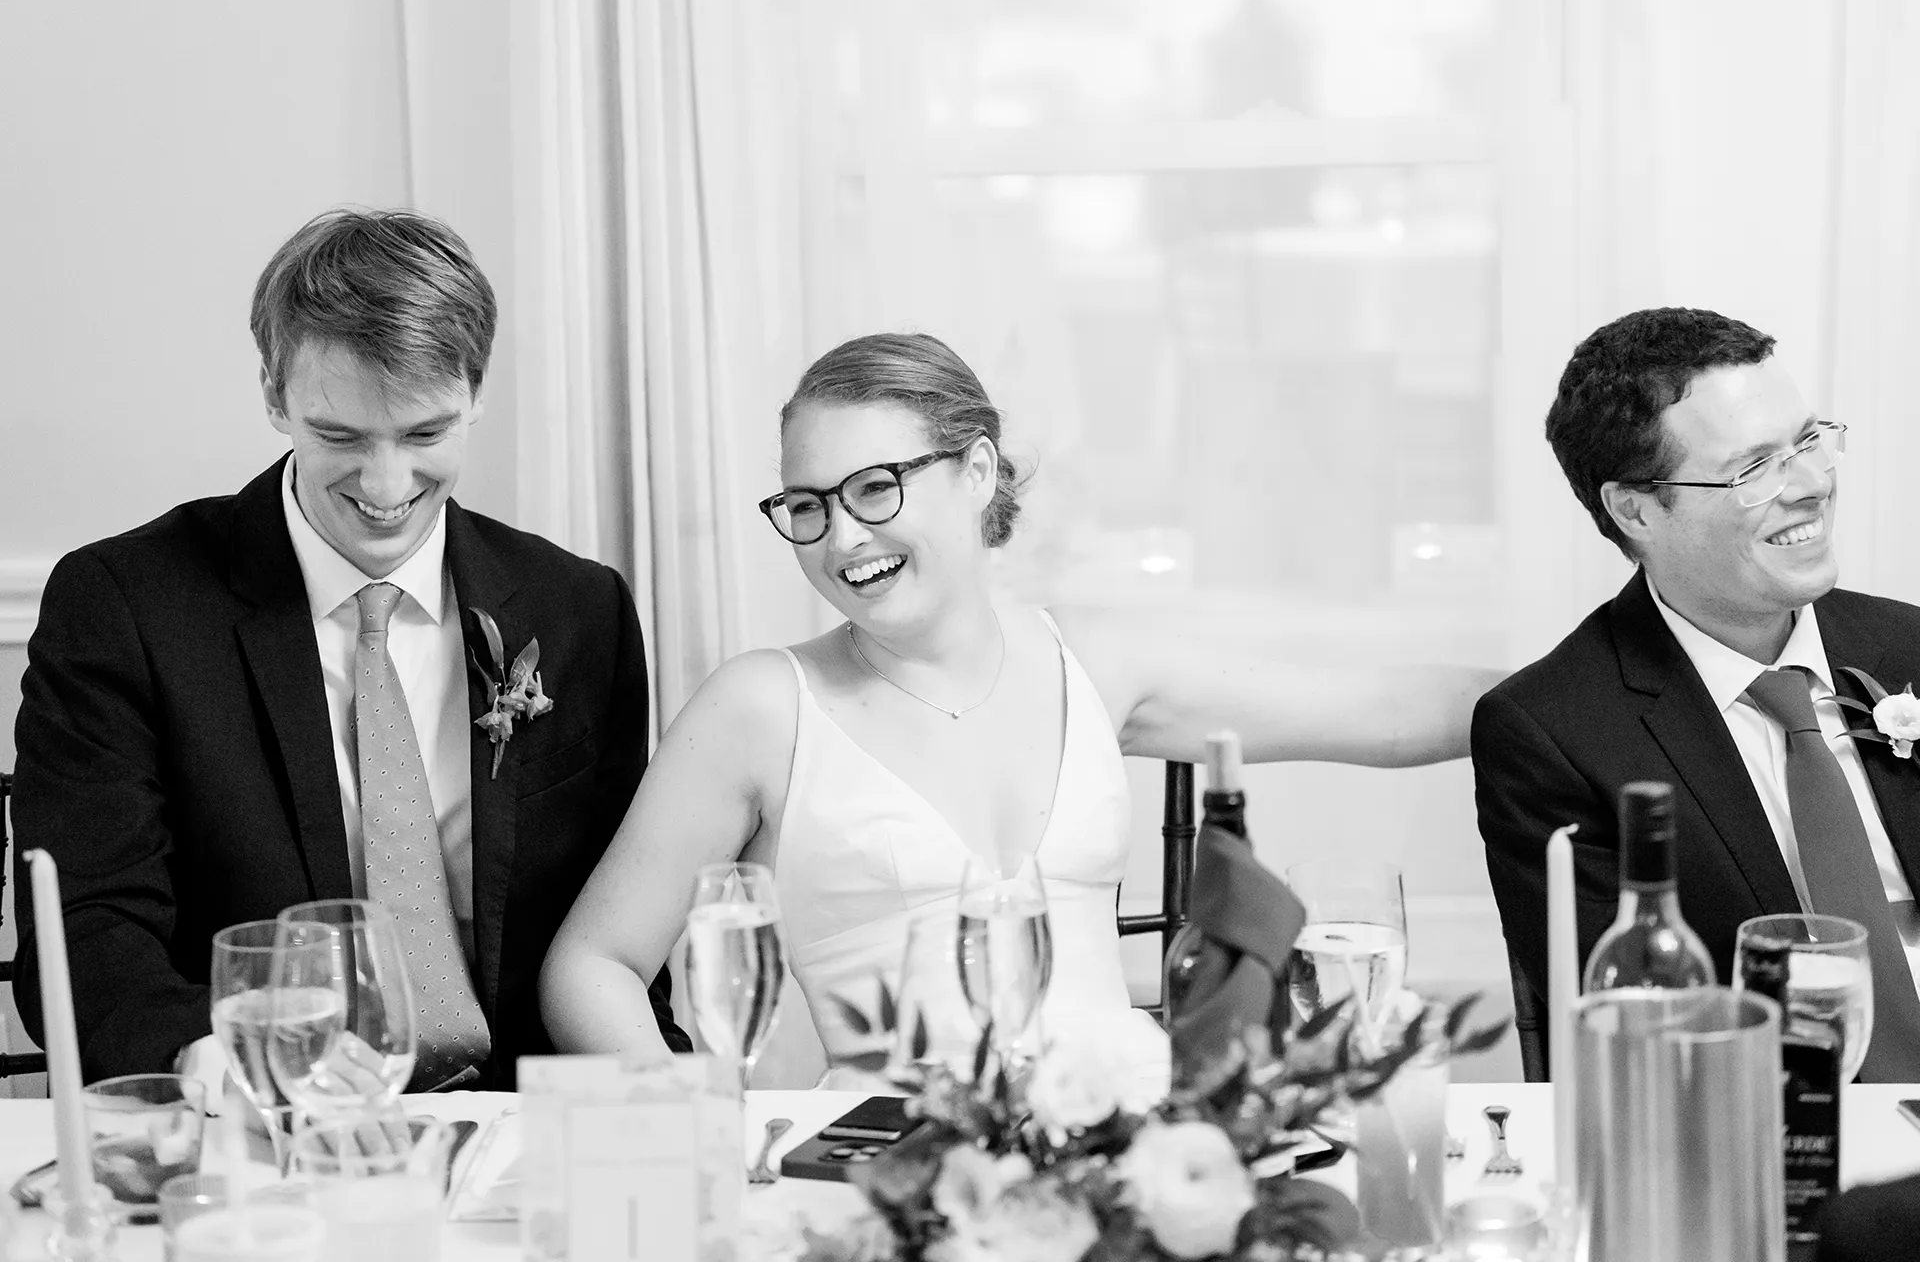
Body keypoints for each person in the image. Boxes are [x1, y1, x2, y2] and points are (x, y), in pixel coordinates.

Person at [541, 332, 1502, 1073]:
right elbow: (593, 964)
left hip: (1131, 1154)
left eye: (875, 489)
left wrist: (1614, 690)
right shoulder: (761, 705)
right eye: (808, 505)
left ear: (977, 472)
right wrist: (688, 1142)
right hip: (898, 1187)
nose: (840, 539)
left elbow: (1374, 711)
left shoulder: (1095, 658)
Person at [10, 208, 688, 1091]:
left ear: (477, 392)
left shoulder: (577, 609)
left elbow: (622, 933)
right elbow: (88, 923)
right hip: (266, 1116)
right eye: (340, 437)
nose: (385, 485)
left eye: (424, 434)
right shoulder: (125, 605)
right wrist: (208, 1054)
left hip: (533, 1125)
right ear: (272, 393)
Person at [1473, 307, 1920, 1081]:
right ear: (1635, 509)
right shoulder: (1553, 735)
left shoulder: (1909, 646)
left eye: (1809, 442)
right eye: (1754, 470)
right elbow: (1634, 1043)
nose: (1812, 486)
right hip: (1778, 1140)